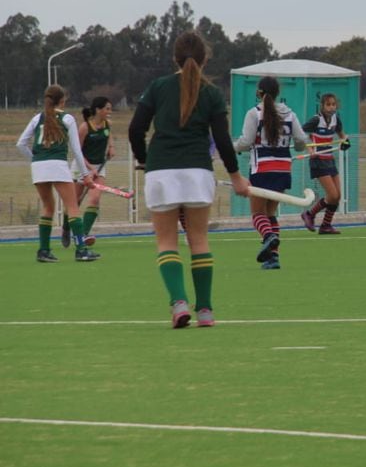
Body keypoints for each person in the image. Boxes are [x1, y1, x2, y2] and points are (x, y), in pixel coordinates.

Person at [128, 30, 249, 328]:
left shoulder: (158, 87)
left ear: (175, 58)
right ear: (206, 59)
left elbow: (135, 129)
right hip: (197, 172)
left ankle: (179, 303)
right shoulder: (212, 93)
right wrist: (236, 178)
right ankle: (205, 311)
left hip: (160, 172)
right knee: (199, 239)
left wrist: (144, 160)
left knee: (167, 240)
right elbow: (222, 140)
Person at [16, 85, 100, 263]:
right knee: (73, 207)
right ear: (63, 101)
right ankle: (81, 250)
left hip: (38, 167)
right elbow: (76, 151)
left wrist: (35, 159)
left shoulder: (37, 118)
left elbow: (20, 144)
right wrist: (85, 175)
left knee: (48, 208)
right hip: (58, 165)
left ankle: (44, 251)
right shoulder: (67, 118)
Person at [234, 75, 308, 269]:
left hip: (262, 169)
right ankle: (273, 258)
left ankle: (269, 236)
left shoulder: (254, 113)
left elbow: (246, 142)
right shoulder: (290, 114)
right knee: (271, 212)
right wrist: (297, 147)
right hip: (283, 170)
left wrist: (231, 147)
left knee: (258, 213)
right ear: (277, 93)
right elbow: (301, 140)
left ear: (259, 93)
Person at [65, 96, 115, 247]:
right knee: (75, 201)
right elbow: (77, 151)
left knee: (94, 199)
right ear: (98, 110)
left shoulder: (107, 124)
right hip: (82, 166)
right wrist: (89, 168)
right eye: (107, 109)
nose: (109, 111)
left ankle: (83, 235)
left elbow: (109, 135)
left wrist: (111, 147)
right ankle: (66, 228)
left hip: (99, 166)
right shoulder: (85, 127)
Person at [300, 92, 350, 234]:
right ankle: (309, 214)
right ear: (322, 106)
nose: (331, 107)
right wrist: (309, 149)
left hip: (329, 160)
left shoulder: (336, 119)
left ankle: (325, 225)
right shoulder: (316, 120)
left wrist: (345, 141)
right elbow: (301, 134)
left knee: (337, 196)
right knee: (332, 195)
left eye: (333, 104)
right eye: (328, 104)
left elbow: (342, 135)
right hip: (318, 161)